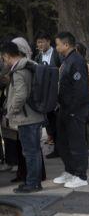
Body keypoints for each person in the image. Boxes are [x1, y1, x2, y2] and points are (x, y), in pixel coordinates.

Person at [1, 41, 45, 193]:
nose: (4, 61)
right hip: (35, 115)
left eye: (3, 58)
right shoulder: (29, 65)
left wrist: (11, 111)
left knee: (30, 152)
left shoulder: (19, 71)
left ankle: (32, 183)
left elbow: (20, 95)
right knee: (34, 151)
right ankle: (34, 181)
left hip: (27, 118)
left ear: (7, 56)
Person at [52, 32, 89, 189]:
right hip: (64, 109)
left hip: (75, 110)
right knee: (63, 142)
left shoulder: (77, 61)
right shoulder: (66, 60)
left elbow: (80, 90)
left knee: (77, 143)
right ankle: (70, 170)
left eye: (58, 44)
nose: (56, 47)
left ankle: (81, 175)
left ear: (66, 45)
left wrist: (73, 110)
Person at [34, 31, 61, 154]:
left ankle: (60, 147)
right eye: (38, 42)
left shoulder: (57, 54)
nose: (39, 45)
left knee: (57, 121)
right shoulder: (38, 57)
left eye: (41, 42)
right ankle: (55, 145)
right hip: (44, 94)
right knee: (49, 121)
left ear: (48, 41)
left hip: (56, 93)